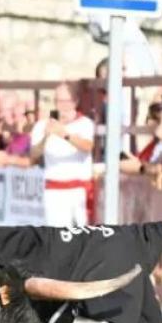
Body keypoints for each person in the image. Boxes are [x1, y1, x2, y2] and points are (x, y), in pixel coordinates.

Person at [30, 82, 97, 226]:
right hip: (54, 190)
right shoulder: (42, 125)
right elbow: (34, 155)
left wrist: (65, 134)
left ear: (75, 102)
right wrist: (45, 137)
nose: (62, 106)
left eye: (66, 102)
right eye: (59, 101)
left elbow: (87, 146)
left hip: (78, 190)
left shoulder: (85, 124)